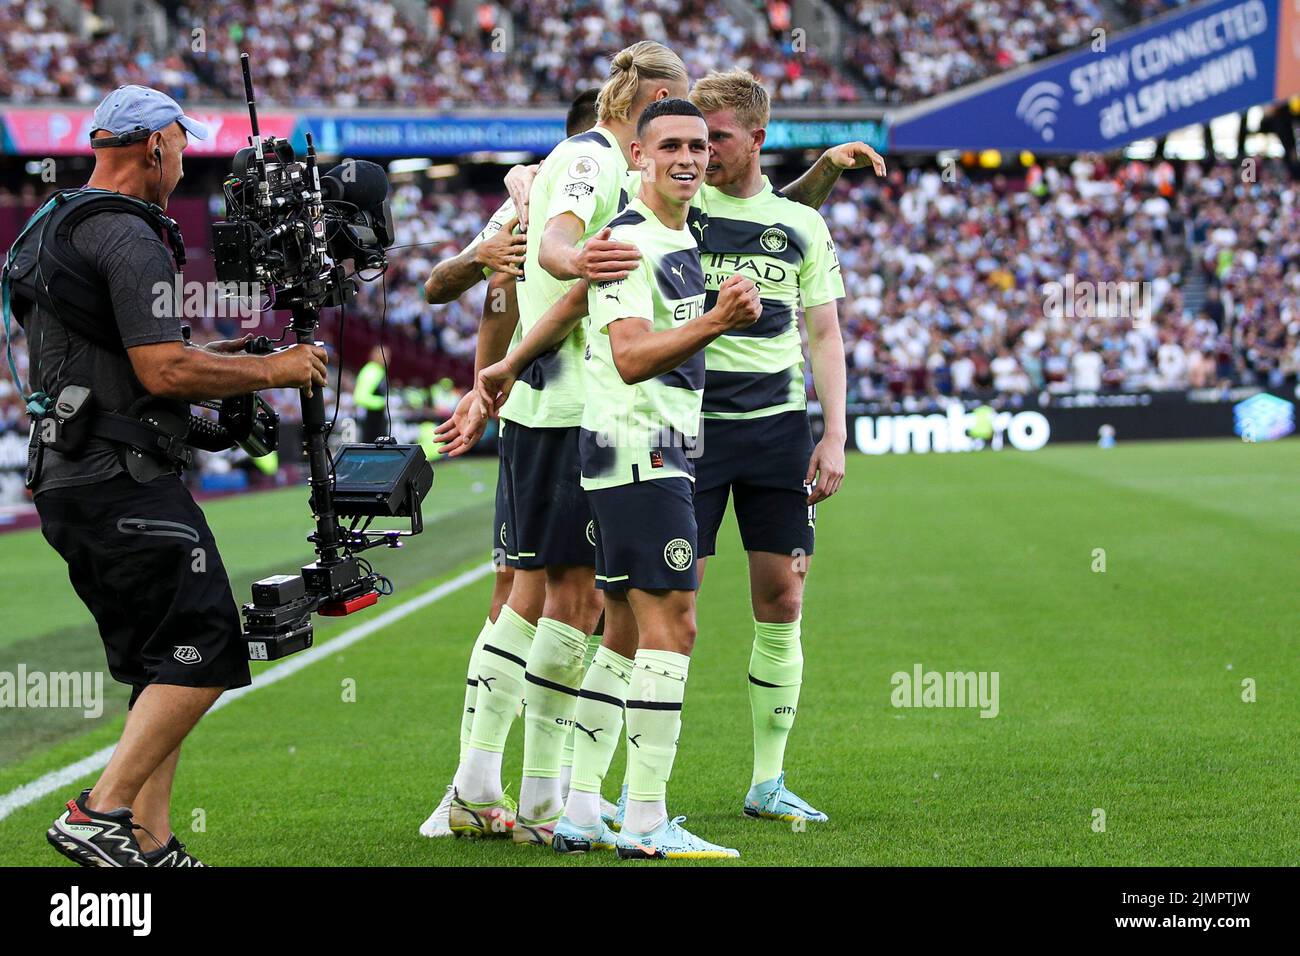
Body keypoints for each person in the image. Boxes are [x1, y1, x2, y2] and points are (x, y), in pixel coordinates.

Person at [9, 85, 326, 866]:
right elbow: (159, 368)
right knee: (209, 642)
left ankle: (150, 844)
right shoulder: (128, 233)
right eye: (183, 149)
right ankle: (100, 813)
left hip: (74, 476)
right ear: (152, 145)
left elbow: (116, 364)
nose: (186, 169)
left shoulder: (54, 223)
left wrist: (234, 366)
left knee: (160, 663)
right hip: (121, 480)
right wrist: (275, 369)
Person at [481, 99, 761, 856]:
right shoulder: (634, 239)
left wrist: (509, 360)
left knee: (626, 634)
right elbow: (633, 354)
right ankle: (644, 818)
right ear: (635, 155)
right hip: (642, 450)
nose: (690, 158)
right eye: (670, 145)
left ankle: (577, 806)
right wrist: (717, 321)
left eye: (699, 146)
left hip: (639, 451)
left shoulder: (671, 230)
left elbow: (574, 300)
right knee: (676, 627)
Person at [418, 89, 602, 839]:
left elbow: (496, 296)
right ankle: (529, 793)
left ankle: (487, 786)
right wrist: (481, 256)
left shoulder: (550, 182)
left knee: (533, 590)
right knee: (558, 598)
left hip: (547, 414)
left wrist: (483, 383)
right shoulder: (563, 186)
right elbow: (461, 285)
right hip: (558, 416)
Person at [684, 70, 851, 823]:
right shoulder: (675, 207)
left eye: (716, 136)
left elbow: (824, 334)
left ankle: (767, 781)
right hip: (682, 427)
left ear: (757, 138)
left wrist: (835, 434)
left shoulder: (802, 227)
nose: (701, 151)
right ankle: (622, 788)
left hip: (780, 433)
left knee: (783, 598)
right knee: (665, 609)